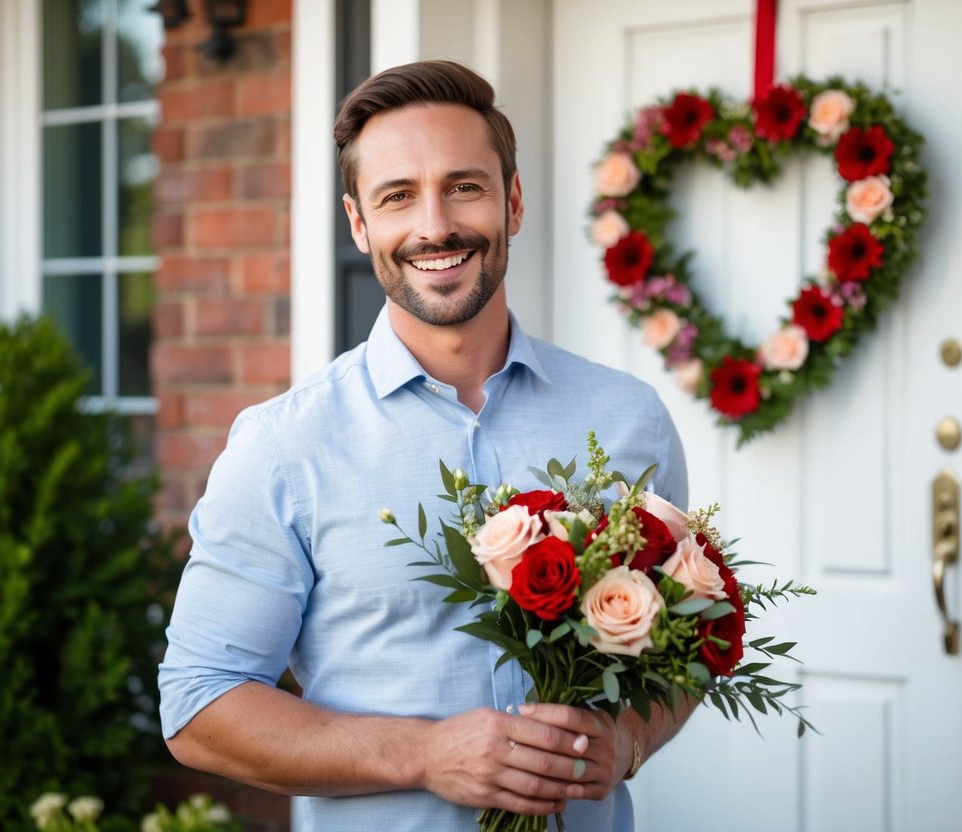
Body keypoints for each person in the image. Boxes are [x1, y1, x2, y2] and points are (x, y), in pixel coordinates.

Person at [158, 59, 693, 831]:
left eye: (464, 186)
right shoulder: (282, 446)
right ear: (358, 223)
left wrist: (629, 740)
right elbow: (200, 704)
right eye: (398, 196)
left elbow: (688, 644)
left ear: (511, 201)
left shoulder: (627, 418)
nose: (435, 225)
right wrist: (423, 754)